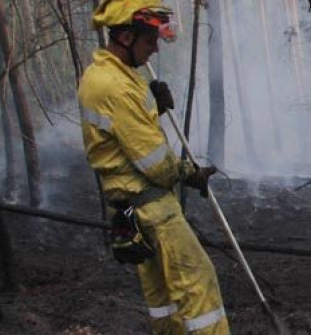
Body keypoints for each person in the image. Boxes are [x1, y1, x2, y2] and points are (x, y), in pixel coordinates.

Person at [78, 1, 228, 333]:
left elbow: (124, 136)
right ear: (127, 37)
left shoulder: (108, 75)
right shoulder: (115, 86)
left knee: (165, 300)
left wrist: (154, 108)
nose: (155, 49)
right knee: (197, 287)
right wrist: (191, 173)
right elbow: (156, 163)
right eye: (150, 42)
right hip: (152, 209)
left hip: (133, 209)